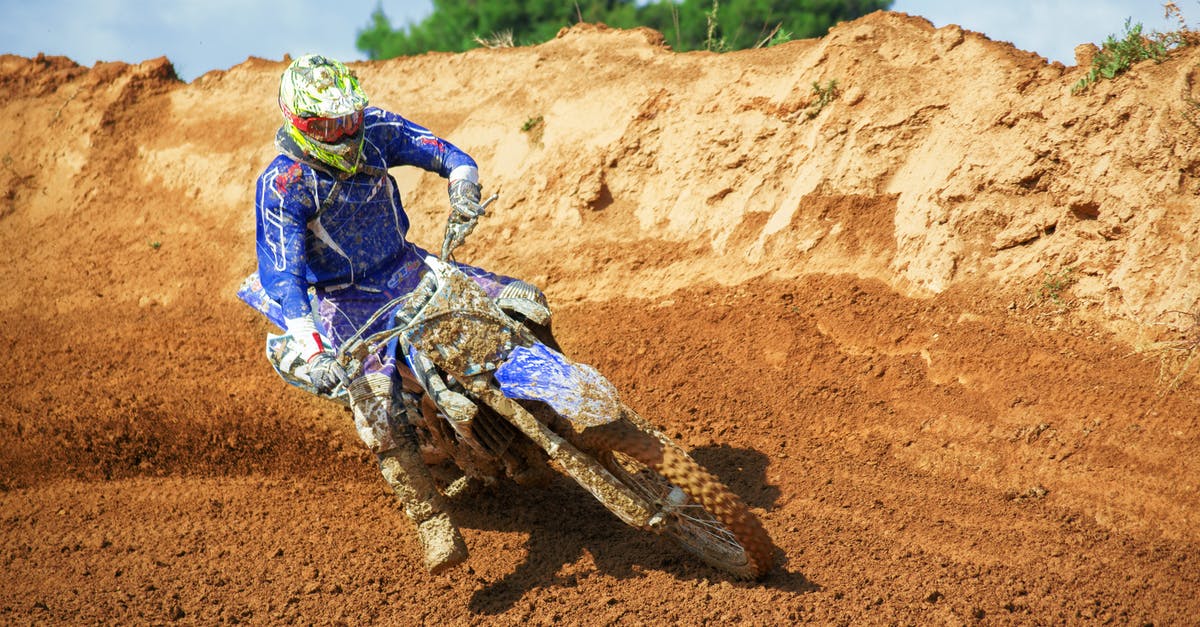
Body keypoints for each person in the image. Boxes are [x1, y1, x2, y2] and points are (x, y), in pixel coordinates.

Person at [240, 54, 550, 574]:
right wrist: (314, 349)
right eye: (328, 125)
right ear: (300, 124)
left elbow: (443, 152)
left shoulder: (376, 128)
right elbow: (281, 276)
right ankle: (429, 516)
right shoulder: (284, 183)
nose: (343, 132)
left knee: (525, 300)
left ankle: (556, 400)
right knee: (376, 410)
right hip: (344, 300)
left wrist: (464, 186)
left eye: (349, 119)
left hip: (406, 264)